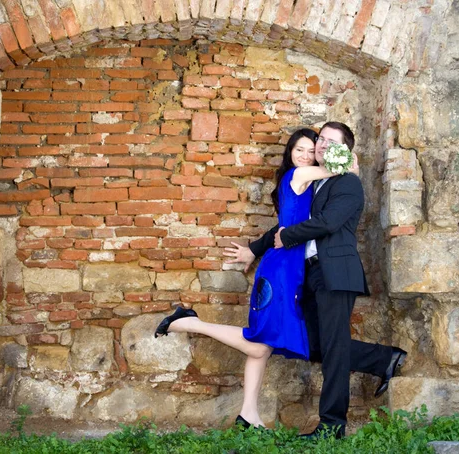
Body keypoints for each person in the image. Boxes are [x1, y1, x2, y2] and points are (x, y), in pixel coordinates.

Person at [228, 121, 407, 439]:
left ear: (345, 151)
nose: (323, 144)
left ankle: (331, 426)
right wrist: (256, 248)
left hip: (336, 273)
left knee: (334, 348)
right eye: (320, 138)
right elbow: (288, 224)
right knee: (311, 343)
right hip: (308, 274)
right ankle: (384, 358)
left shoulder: (348, 183)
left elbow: (328, 222)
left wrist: (288, 237)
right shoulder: (314, 184)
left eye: (331, 141)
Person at [154, 128, 342, 429]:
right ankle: (187, 322)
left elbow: (286, 225)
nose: (305, 156)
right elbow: (337, 168)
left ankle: (248, 414)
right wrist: (350, 161)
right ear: (290, 153)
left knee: (263, 346)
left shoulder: (303, 179)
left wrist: (254, 249)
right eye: (300, 150)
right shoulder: (300, 176)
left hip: (287, 269)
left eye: (310, 150)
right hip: (280, 272)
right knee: (258, 343)